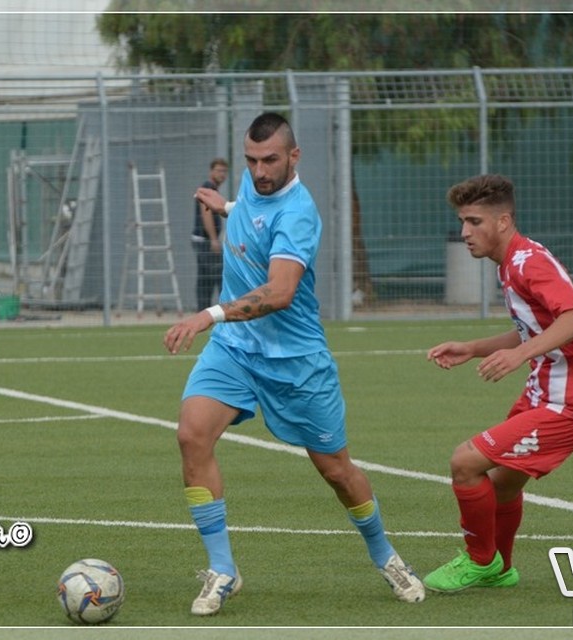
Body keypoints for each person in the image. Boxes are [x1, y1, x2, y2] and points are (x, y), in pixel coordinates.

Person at [164, 112, 425, 616]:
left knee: (336, 470)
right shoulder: (254, 185)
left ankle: (385, 555)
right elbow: (256, 211)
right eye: (251, 160)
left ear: (294, 156)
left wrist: (207, 315)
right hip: (235, 349)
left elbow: (281, 292)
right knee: (192, 435)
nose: (259, 171)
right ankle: (222, 568)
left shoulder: (300, 213)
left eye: (270, 161)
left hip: (296, 360)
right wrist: (229, 207)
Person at [424, 174, 573, 592]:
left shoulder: (529, 262)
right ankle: (501, 568)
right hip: (545, 391)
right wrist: (473, 347)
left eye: (474, 222)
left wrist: (520, 355)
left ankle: (480, 560)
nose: (464, 232)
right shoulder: (511, 263)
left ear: (503, 221)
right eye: (462, 221)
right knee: (503, 484)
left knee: (465, 462)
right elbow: (535, 328)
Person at [191, 158, 229, 311]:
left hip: (203, 240)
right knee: (218, 275)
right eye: (219, 171)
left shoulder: (213, 189)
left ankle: (203, 311)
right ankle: (224, 309)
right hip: (205, 241)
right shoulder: (208, 187)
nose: (222, 174)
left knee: (204, 278)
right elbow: (206, 213)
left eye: (224, 171)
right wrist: (214, 240)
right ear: (211, 172)